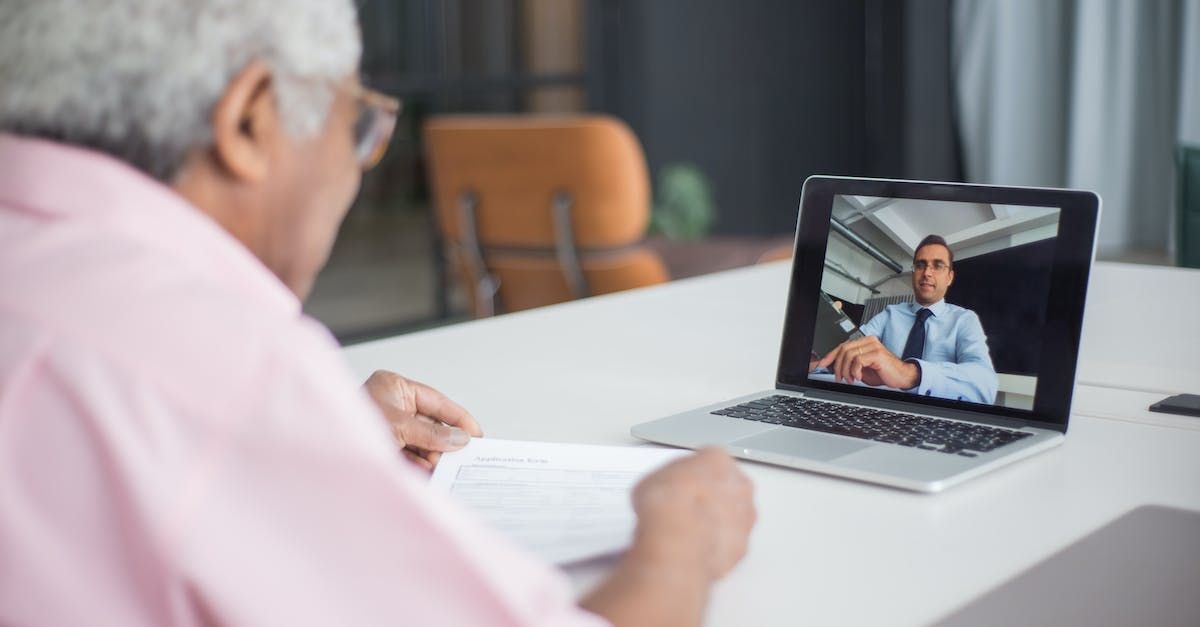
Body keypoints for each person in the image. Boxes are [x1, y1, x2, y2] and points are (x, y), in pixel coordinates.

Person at [0, 2, 755, 626]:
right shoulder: (224, 367)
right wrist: (675, 543)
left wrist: (306, 444)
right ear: (252, 122)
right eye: (359, 125)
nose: (356, 170)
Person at [814, 235, 998, 404]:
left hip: (935, 416)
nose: (927, 272)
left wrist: (909, 374)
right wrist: (823, 344)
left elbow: (985, 385)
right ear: (913, 273)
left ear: (950, 277)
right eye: (920, 265)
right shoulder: (890, 313)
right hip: (878, 407)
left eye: (938, 265)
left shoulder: (965, 319)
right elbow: (855, 346)